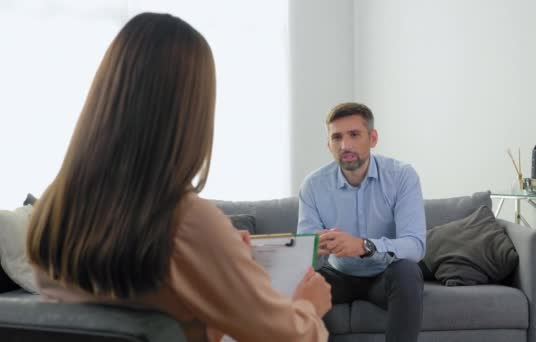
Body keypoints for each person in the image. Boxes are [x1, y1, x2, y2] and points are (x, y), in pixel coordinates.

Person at [26, 12, 331, 342]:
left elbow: (155, 322)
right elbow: (290, 337)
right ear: (193, 112)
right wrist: (308, 307)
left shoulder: (53, 211)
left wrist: (224, 258)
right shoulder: (185, 222)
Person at [297, 102, 426, 342]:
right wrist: (316, 248)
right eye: (337, 137)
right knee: (301, 282)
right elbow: (305, 258)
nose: (345, 145)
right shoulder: (313, 186)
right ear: (328, 145)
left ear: (373, 138)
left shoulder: (402, 176)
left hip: (384, 274)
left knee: (408, 270)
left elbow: (415, 245)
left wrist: (365, 246)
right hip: (337, 274)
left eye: (354, 135)